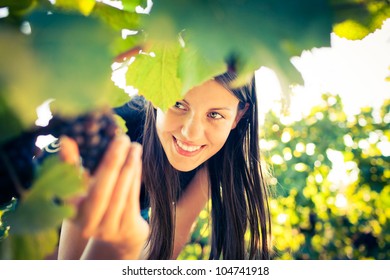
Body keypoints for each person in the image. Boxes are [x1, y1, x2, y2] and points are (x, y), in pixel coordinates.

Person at [57, 71, 271, 260]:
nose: (191, 134)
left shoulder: (213, 160)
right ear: (154, 97)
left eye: (214, 115)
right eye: (178, 104)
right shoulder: (113, 133)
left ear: (238, 116)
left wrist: (129, 250)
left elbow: (162, 256)